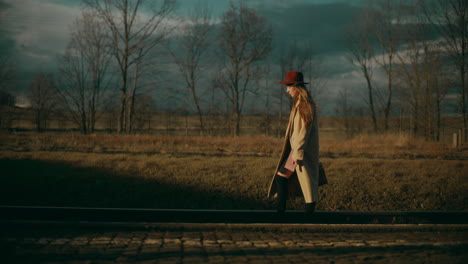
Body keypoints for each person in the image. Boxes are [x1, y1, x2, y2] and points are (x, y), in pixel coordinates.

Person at [267, 71, 319, 215]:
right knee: (282, 178)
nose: (287, 90)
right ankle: (282, 212)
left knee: (288, 180)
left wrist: (298, 152)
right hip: (295, 150)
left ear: (297, 87)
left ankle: (291, 214)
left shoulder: (305, 105)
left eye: (289, 86)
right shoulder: (299, 103)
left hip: (299, 151)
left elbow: (303, 132)